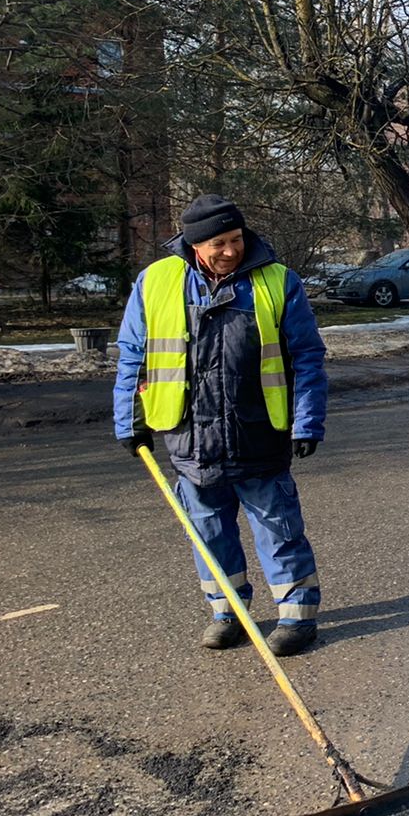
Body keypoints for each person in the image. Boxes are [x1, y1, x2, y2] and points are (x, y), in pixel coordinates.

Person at [113, 195, 327, 657]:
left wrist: (307, 422)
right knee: (209, 533)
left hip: (260, 433)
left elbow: (307, 357)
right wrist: (130, 423)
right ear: (194, 246)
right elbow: (134, 357)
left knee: (279, 528)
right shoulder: (156, 282)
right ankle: (227, 612)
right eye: (218, 243)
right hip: (190, 439)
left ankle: (296, 617)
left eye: (235, 239)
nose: (230, 250)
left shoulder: (277, 281)